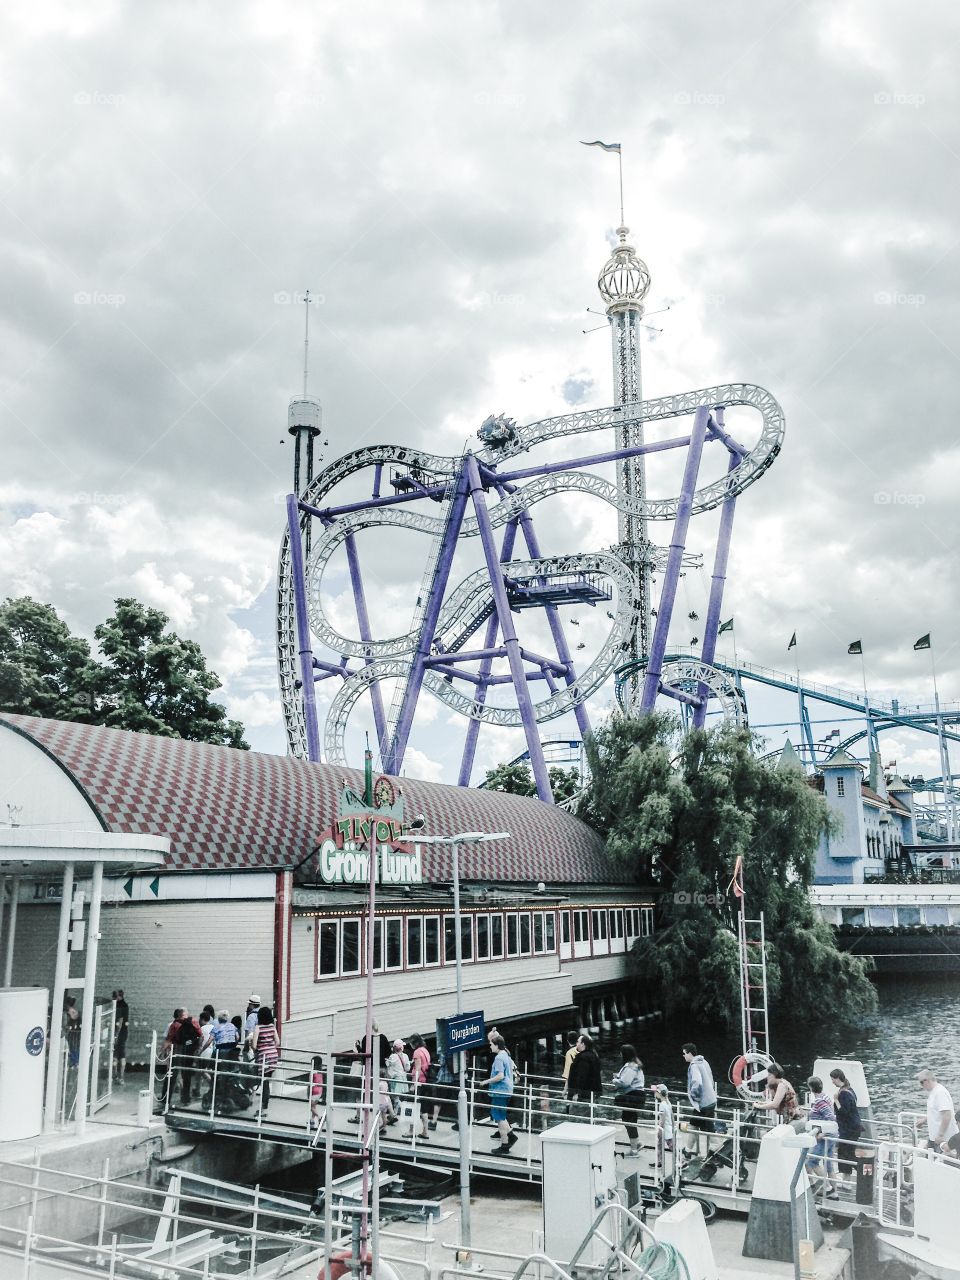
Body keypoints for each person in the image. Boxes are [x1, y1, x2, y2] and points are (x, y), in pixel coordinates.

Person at [803, 1076, 840, 1199]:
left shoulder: (819, 1101)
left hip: (825, 1138)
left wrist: (822, 1133)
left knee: (812, 1161)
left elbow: (830, 1117)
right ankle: (835, 1193)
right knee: (829, 1165)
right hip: (830, 1137)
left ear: (811, 1088)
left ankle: (828, 1188)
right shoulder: (825, 1097)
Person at [682, 1043, 717, 1157]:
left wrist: (694, 1096)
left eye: (684, 1053)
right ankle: (688, 1149)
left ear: (689, 1053)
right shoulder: (704, 1061)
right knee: (697, 1124)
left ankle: (714, 1150)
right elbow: (711, 1078)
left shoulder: (694, 1066)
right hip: (711, 1099)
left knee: (701, 1125)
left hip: (703, 1103)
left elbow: (696, 1082)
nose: (683, 1056)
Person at [612, 1044, 646, 1157]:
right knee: (630, 1119)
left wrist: (615, 1080)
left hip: (632, 1095)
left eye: (621, 1053)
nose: (620, 1055)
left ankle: (634, 1150)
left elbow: (626, 1082)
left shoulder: (630, 1066)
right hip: (637, 1095)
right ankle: (637, 1143)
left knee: (628, 1120)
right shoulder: (635, 1065)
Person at [918, 1069, 960, 1156]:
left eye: (921, 1083)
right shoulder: (933, 1092)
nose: (921, 1086)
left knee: (940, 1162)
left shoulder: (940, 1093)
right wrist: (925, 1119)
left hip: (942, 1138)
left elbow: (947, 1114)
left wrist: (940, 1134)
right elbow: (935, 1111)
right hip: (933, 1137)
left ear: (927, 1081)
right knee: (928, 1159)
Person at [488, 1032, 517, 1154]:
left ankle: (505, 1143)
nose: (490, 1046)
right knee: (500, 1115)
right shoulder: (506, 1055)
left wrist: (486, 1081)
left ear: (496, 1045)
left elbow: (500, 1075)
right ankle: (510, 1135)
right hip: (507, 1089)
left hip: (500, 1090)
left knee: (498, 1116)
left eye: (491, 1044)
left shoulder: (499, 1057)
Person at [830, 1068, 863, 1174]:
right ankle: (848, 1177)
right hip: (852, 1127)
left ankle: (863, 1172)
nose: (832, 1082)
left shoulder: (844, 1093)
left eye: (833, 1079)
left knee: (846, 1154)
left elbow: (844, 1112)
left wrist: (835, 1100)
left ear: (838, 1078)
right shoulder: (850, 1090)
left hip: (849, 1129)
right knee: (847, 1153)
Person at [250, 1005, 281, 1117]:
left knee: (265, 1083)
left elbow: (253, 1045)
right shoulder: (272, 1026)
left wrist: (260, 1047)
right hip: (273, 1056)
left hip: (264, 1058)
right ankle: (263, 1108)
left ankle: (264, 1110)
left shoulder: (258, 1027)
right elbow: (277, 1042)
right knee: (266, 1082)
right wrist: (269, 1045)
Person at [567, 1033, 603, 1112]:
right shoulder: (593, 1056)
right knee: (590, 1113)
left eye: (578, 1042)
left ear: (583, 1044)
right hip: (592, 1093)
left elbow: (581, 1076)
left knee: (579, 1114)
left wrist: (576, 1093)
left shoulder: (583, 1058)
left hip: (584, 1094)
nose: (576, 1044)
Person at [173, 1008, 202, 1104]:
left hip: (182, 1052)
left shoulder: (178, 1025)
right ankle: (187, 1096)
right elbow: (199, 1036)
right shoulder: (194, 1024)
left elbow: (177, 1040)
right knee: (188, 1076)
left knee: (183, 1074)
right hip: (191, 1052)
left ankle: (184, 1096)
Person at [407, 1034, 431, 1139]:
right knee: (423, 1108)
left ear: (414, 1042)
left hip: (418, 1082)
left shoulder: (417, 1052)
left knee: (413, 1107)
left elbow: (417, 1069)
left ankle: (411, 1131)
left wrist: (413, 1084)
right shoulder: (425, 1050)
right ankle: (425, 1131)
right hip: (425, 1081)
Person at [386, 1039, 411, 1104]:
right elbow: (408, 1068)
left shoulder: (392, 1056)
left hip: (395, 1078)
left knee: (395, 1096)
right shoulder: (406, 1056)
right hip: (403, 1078)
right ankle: (401, 1108)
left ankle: (396, 1110)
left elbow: (388, 1065)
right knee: (403, 1096)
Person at [113, 989, 129, 1085]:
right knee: (121, 1054)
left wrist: (115, 1035)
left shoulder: (119, 1006)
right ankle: (120, 1077)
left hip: (118, 1033)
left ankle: (116, 1076)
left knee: (116, 1054)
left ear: (119, 996)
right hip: (123, 1033)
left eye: (115, 997)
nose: (113, 999)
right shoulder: (125, 1005)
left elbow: (120, 1021)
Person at [652, 1083, 674, 1154]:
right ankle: (659, 1162)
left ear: (659, 1093)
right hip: (669, 1127)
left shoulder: (662, 1105)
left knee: (670, 1146)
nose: (654, 1093)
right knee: (661, 1145)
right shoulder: (668, 1103)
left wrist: (660, 1128)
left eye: (655, 1092)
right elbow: (672, 1116)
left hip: (664, 1128)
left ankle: (681, 1161)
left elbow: (663, 1118)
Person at [64, 997, 81, 1067]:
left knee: (73, 1047)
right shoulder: (72, 1011)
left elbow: (74, 1017)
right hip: (72, 1033)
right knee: (72, 1048)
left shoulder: (73, 1011)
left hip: (74, 1033)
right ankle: (75, 1062)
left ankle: (75, 1062)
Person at [310, 1055, 325, 1129]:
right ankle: (312, 1120)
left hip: (314, 1091)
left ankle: (319, 1118)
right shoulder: (320, 1071)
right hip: (320, 1091)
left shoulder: (313, 1072)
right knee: (314, 1106)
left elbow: (310, 1082)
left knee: (311, 1107)